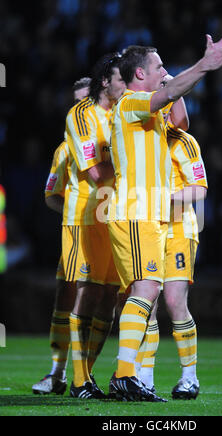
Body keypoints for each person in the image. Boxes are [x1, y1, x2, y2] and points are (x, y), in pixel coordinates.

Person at [108, 32, 222, 402]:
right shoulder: (131, 101)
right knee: (147, 290)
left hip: (156, 218)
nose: (166, 72)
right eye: (159, 67)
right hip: (136, 210)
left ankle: (137, 378)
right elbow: (167, 96)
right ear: (138, 75)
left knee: (147, 295)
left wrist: (174, 82)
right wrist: (205, 65)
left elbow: (177, 115)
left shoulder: (161, 127)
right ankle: (126, 375)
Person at [63, 53, 126, 399]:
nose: (127, 84)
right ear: (106, 81)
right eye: (122, 78)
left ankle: (89, 376)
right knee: (87, 292)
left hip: (114, 215)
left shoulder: (123, 112)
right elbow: (95, 173)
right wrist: (135, 173)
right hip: (85, 215)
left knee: (109, 297)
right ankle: (77, 380)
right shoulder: (81, 115)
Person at [137, 120, 208, 400]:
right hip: (147, 228)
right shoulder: (138, 139)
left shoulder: (183, 141)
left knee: (175, 302)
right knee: (147, 302)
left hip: (179, 229)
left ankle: (189, 378)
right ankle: (145, 378)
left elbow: (199, 189)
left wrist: (163, 198)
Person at [32, 78, 91, 396]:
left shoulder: (118, 135)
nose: (79, 108)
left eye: (85, 101)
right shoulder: (65, 149)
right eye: (75, 102)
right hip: (79, 234)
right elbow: (51, 195)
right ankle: (58, 373)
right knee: (67, 295)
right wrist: (77, 211)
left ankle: (133, 375)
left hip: (119, 229)